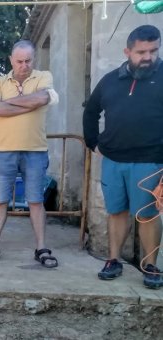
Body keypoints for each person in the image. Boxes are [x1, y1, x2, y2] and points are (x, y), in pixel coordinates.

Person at [83, 25, 163, 289]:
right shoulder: (109, 80)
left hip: (151, 160)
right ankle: (113, 259)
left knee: (147, 214)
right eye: (142, 51)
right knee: (116, 211)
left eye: (153, 50)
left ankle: (151, 266)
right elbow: (91, 111)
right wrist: (93, 142)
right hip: (114, 160)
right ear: (128, 51)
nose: (148, 56)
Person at [0, 40, 59, 267]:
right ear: (11, 60)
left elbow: (43, 98)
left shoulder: (44, 77)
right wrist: (28, 102)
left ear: (34, 59)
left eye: (28, 60)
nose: (24, 65)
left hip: (36, 151)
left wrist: (8, 103)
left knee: (36, 201)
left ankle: (42, 248)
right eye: (19, 61)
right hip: (3, 151)